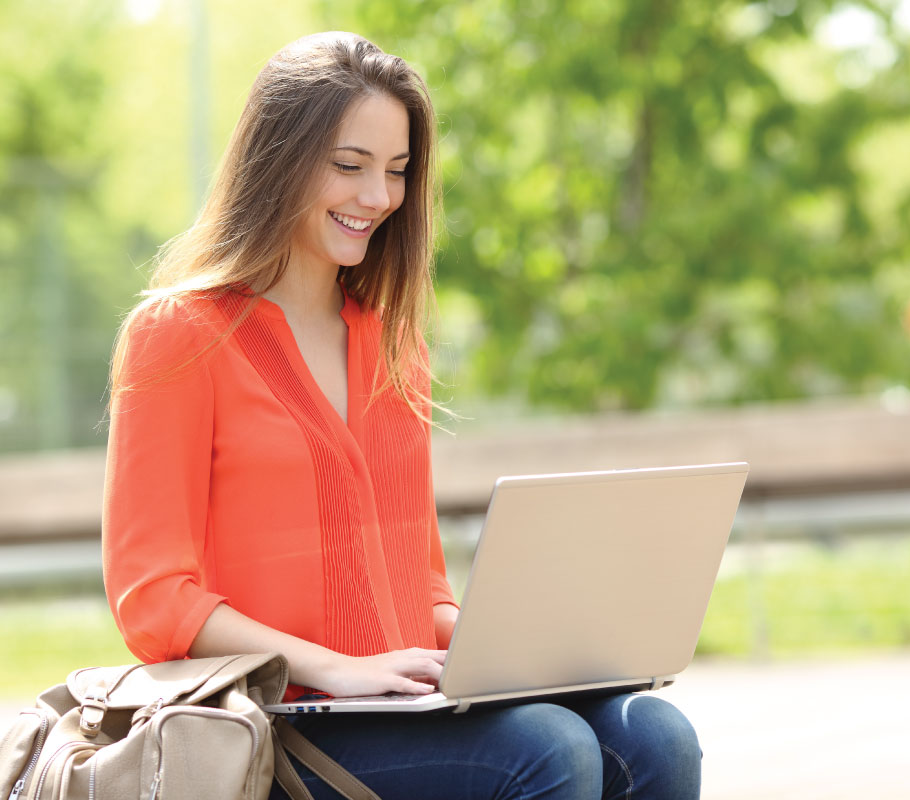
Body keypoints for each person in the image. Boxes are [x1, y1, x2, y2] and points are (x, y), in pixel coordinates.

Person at [103, 31, 701, 800]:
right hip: (275, 722)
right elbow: (153, 598)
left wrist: (515, 646)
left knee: (655, 734)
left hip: (399, 698)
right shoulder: (178, 336)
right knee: (548, 750)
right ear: (278, 159)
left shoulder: (391, 342)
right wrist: (332, 667)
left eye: (396, 171)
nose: (378, 198)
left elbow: (419, 585)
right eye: (349, 167)